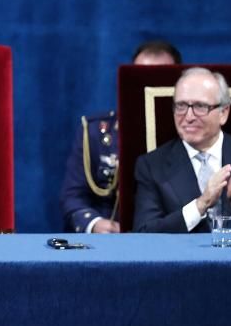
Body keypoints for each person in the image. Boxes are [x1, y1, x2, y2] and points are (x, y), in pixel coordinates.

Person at [133, 67, 231, 233]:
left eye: (200, 106)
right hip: (183, 257)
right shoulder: (151, 165)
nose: (189, 117)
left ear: (223, 112)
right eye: (180, 106)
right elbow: (144, 233)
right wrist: (201, 204)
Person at [59, 40, 181, 234]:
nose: (146, 88)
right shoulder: (96, 133)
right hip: (109, 240)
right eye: (139, 78)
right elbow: (72, 196)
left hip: (169, 237)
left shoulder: (188, 135)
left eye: (157, 79)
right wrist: (95, 223)